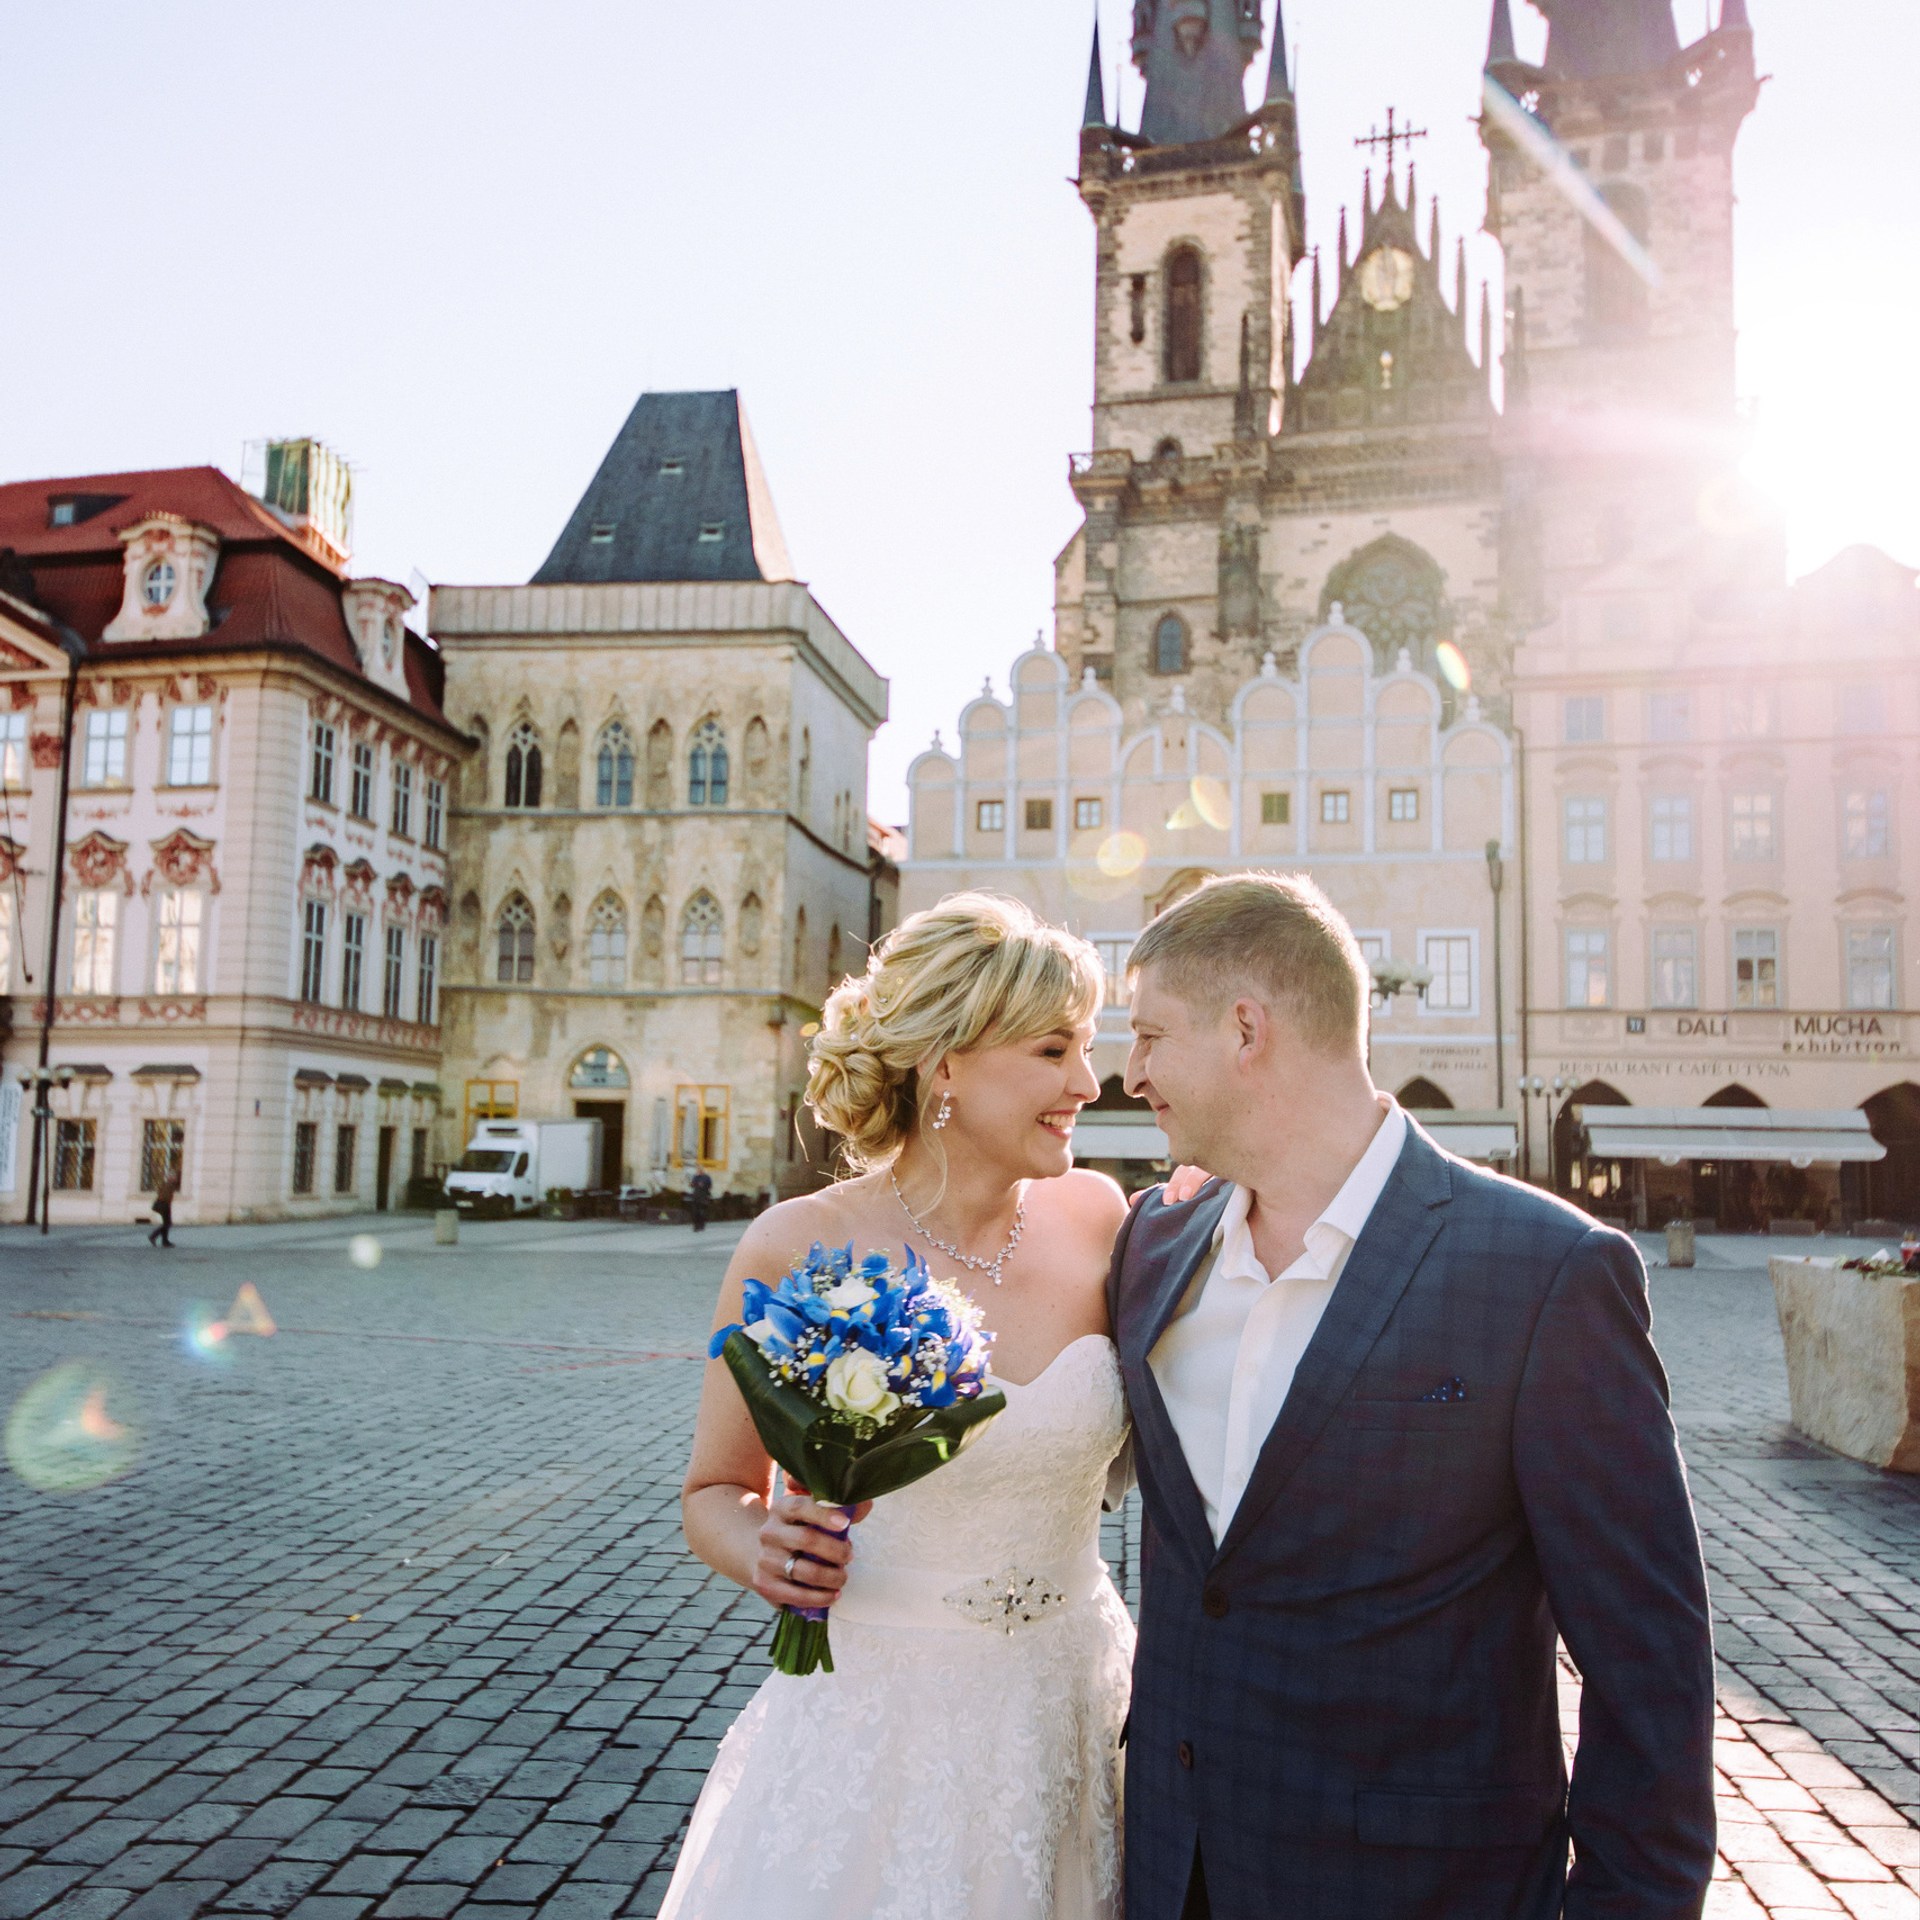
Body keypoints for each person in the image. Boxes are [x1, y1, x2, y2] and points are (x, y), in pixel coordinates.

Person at [1110, 872, 1717, 1920]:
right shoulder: (1150, 1246)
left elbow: (1647, 1668)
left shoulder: (1547, 1272)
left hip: (1422, 1887)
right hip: (1177, 1870)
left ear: (1246, 1028)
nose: (1128, 1074)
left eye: (1150, 1036)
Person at [662, 893, 1136, 1920]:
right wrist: (767, 1551)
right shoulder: (797, 1245)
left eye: (1086, 1048)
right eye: (1055, 1050)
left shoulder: (1104, 1219)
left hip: (1075, 1702)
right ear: (947, 1064)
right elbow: (714, 1491)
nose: (1087, 1084)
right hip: (882, 1720)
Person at [147, 1175, 177, 1249]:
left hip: (163, 1204)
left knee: (166, 1224)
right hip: (164, 1205)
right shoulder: (168, 1185)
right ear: (170, 1178)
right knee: (167, 1224)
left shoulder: (168, 1185)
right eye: (174, 1177)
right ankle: (153, 1236)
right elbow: (164, 1196)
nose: (175, 1179)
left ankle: (165, 1241)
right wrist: (167, 1204)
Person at [688, 1168, 713, 1233]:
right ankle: (696, 1226)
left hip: (703, 1197)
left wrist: (703, 1186)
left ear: (702, 1171)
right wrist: (691, 1184)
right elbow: (692, 1185)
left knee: (702, 1212)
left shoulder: (706, 1177)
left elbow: (710, 1186)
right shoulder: (695, 1177)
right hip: (695, 1197)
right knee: (695, 1212)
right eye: (698, 1170)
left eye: (699, 1170)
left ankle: (701, 1226)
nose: (698, 1171)